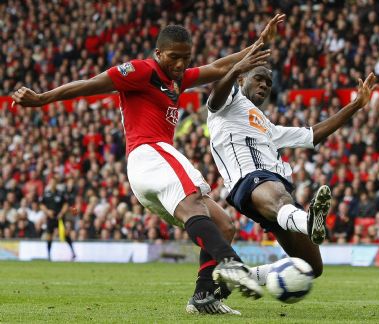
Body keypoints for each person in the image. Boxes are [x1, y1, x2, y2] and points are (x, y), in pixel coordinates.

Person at [11, 14, 285, 315]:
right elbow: (91, 85)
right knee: (197, 204)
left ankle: (204, 297)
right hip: (149, 152)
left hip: (152, 169)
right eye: (174, 57)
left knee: (223, 225)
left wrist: (259, 44)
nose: (180, 64)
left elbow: (220, 67)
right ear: (158, 54)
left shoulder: (177, 78)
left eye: (186, 58)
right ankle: (231, 263)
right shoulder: (142, 70)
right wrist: (43, 98)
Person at [206, 56, 377, 283]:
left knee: (310, 267)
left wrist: (355, 105)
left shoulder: (267, 126)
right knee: (282, 201)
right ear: (241, 79)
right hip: (250, 179)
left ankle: (243, 277)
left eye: (268, 83)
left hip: (276, 192)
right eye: (259, 79)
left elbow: (312, 134)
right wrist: (236, 66)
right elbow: (214, 99)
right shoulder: (230, 99)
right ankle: (308, 221)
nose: (264, 85)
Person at [40, 178, 76, 260]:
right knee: (49, 236)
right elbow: (42, 205)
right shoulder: (46, 194)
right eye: (51, 182)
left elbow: (66, 204)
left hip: (59, 217)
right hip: (50, 218)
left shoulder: (61, 193)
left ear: (56, 184)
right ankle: (49, 255)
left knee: (65, 234)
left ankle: (73, 252)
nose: (53, 184)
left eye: (54, 183)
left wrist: (62, 213)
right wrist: (47, 211)